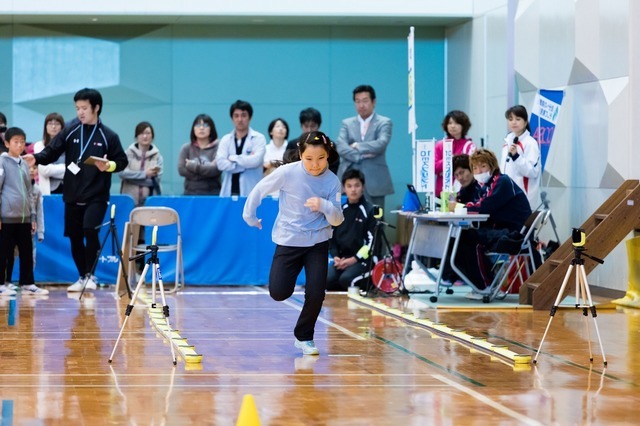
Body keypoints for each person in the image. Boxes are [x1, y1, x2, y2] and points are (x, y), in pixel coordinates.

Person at [243, 131, 343, 356]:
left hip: (318, 241)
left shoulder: (333, 181)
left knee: (316, 292)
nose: (315, 165)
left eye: (320, 159)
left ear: (328, 156)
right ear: (300, 155)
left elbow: (337, 218)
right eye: (309, 159)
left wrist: (325, 206)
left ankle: (304, 336)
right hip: (289, 240)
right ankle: (289, 298)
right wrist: (249, 215)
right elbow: (259, 189)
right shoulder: (287, 173)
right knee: (278, 292)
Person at [24, 88, 128, 292]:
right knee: (74, 236)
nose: (80, 112)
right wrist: (36, 158)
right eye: (77, 108)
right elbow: (52, 151)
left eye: (84, 108)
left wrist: (110, 166)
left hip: (97, 194)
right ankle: (82, 276)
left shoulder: (108, 136)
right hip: (72, 193)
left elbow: (122, 161)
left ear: (96, 108)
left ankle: (91, 275)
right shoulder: (71, 129)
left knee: (90, 229)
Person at [450, 148, 531, 298]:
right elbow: (480, 205)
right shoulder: (485, 186)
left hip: (515, 233)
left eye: (483, 166)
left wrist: (461, 208)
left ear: (492, 166)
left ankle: (485, 286)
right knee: (461, 237)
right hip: (502, 229)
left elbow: (484, 207)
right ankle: (476, 283)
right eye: (475, 168)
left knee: (470, 239)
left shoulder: (502, 181)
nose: (478, 171)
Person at [0, 127, 47, 295]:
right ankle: (1, 284)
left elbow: (29, 192)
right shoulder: (2, 162)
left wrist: (32, 216)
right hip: (6, 218)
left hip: (24, 218)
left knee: (26, 252)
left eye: (22, 142)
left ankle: (27, 283)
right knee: (4, 253)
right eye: (15, 142)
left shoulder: (25, 164)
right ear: (7, 143)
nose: (19, 145)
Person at [335, 85, 393, 210]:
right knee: (345, 218)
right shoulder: (347, 123)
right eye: (358, 101)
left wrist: (357, 146)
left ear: (374, 102)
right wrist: (360, 155)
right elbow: (340, 147)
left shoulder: (384, 122)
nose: (361, 105)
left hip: (375, 179)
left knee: (376, 220)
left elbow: (381, 144)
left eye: (365, 101)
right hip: (348, 178)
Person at [326, 169, 377, 292]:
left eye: (357, 186)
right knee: (326, 279)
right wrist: (336, 256)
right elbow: (332, 238)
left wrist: (354, 259)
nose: (353, 190)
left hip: (363, 261)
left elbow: (372, 242)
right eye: (349, 186)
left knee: (347, 280)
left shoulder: (370, 211)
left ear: (363, 187)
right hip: (342, 260)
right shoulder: (340, 210)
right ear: (344, 188)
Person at [216, 100, 266, 197]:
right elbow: (220, 164)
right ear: (232, 118)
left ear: (250, 117)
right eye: (236, 116)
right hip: (228, 193)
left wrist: (231, 158)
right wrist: (245, 161)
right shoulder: (226, 139)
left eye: (243, 115)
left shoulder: (259, 138)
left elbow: (255, 161)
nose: (240, 119)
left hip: (251, 192)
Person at [500, 105, 541, 209]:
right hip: (507, 197)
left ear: (525, 122)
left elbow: (532, 171)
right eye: (510, 119)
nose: (514, 122)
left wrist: (516, 156)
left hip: (523, 200)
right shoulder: (507, 142)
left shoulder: (530, 143)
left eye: (518, 119)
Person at [120, 121, 164, 205]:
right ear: (136, 136)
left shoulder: (158, 156)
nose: (145, 136)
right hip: (129, 201)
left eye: (148, 133)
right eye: (141, 133)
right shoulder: (127, 154)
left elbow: (156, 180)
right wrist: (145, 174)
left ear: (152, 136)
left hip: (150, 202)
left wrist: (130, 179)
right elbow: (122, 173)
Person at [434, 110, 476, 197]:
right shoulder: (440, 145)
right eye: (450, 123)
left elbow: (470, 168)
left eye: (457, 123)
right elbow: (434, 168)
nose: (453, 126)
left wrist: (445, 168)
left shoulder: (469, 145)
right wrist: (449, 160)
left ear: (463, 126)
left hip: (462, 192)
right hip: (441, 193)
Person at [286, 107, 339, 174]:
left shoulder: (328, 144)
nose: (309, 130)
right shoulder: (292, 144)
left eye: (313, 126)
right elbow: (288, 165)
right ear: (301, 126)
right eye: (306, 126)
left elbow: (333, 167)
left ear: (318, 125)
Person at [178, 114, 221, 195]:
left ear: (211, 128)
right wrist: (207, 171)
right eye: (198, 125)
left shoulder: (218, 147)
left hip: (213, 194)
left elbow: (216, 170)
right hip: (190, 194)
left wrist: (192, 166)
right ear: (193, 129)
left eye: (205, 125)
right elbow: (181, 170)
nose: (201, 128)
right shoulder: (186, 148)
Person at [33, 113, 66, 195]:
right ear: (46, 127)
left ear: (62, 127)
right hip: (49, 191)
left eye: (57, 124)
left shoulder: (69, 145)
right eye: (50, 123)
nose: (53, 127)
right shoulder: (39, 145)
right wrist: (66, 167)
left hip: (68, 189)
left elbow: (75, 169)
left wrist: (54, 170)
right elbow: (44, 170)